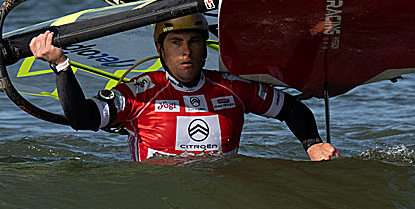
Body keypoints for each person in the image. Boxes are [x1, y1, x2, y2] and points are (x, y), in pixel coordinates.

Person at [29, 13, 340, 161]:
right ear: (161, 52)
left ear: (206, 50)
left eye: (194, 42)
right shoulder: (139, 92)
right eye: (176, 43)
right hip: (160, 200)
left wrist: (312, 143)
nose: (186, 51)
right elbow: (81, 119)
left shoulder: (233, 90)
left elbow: (291, 108)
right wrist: (60, 64)